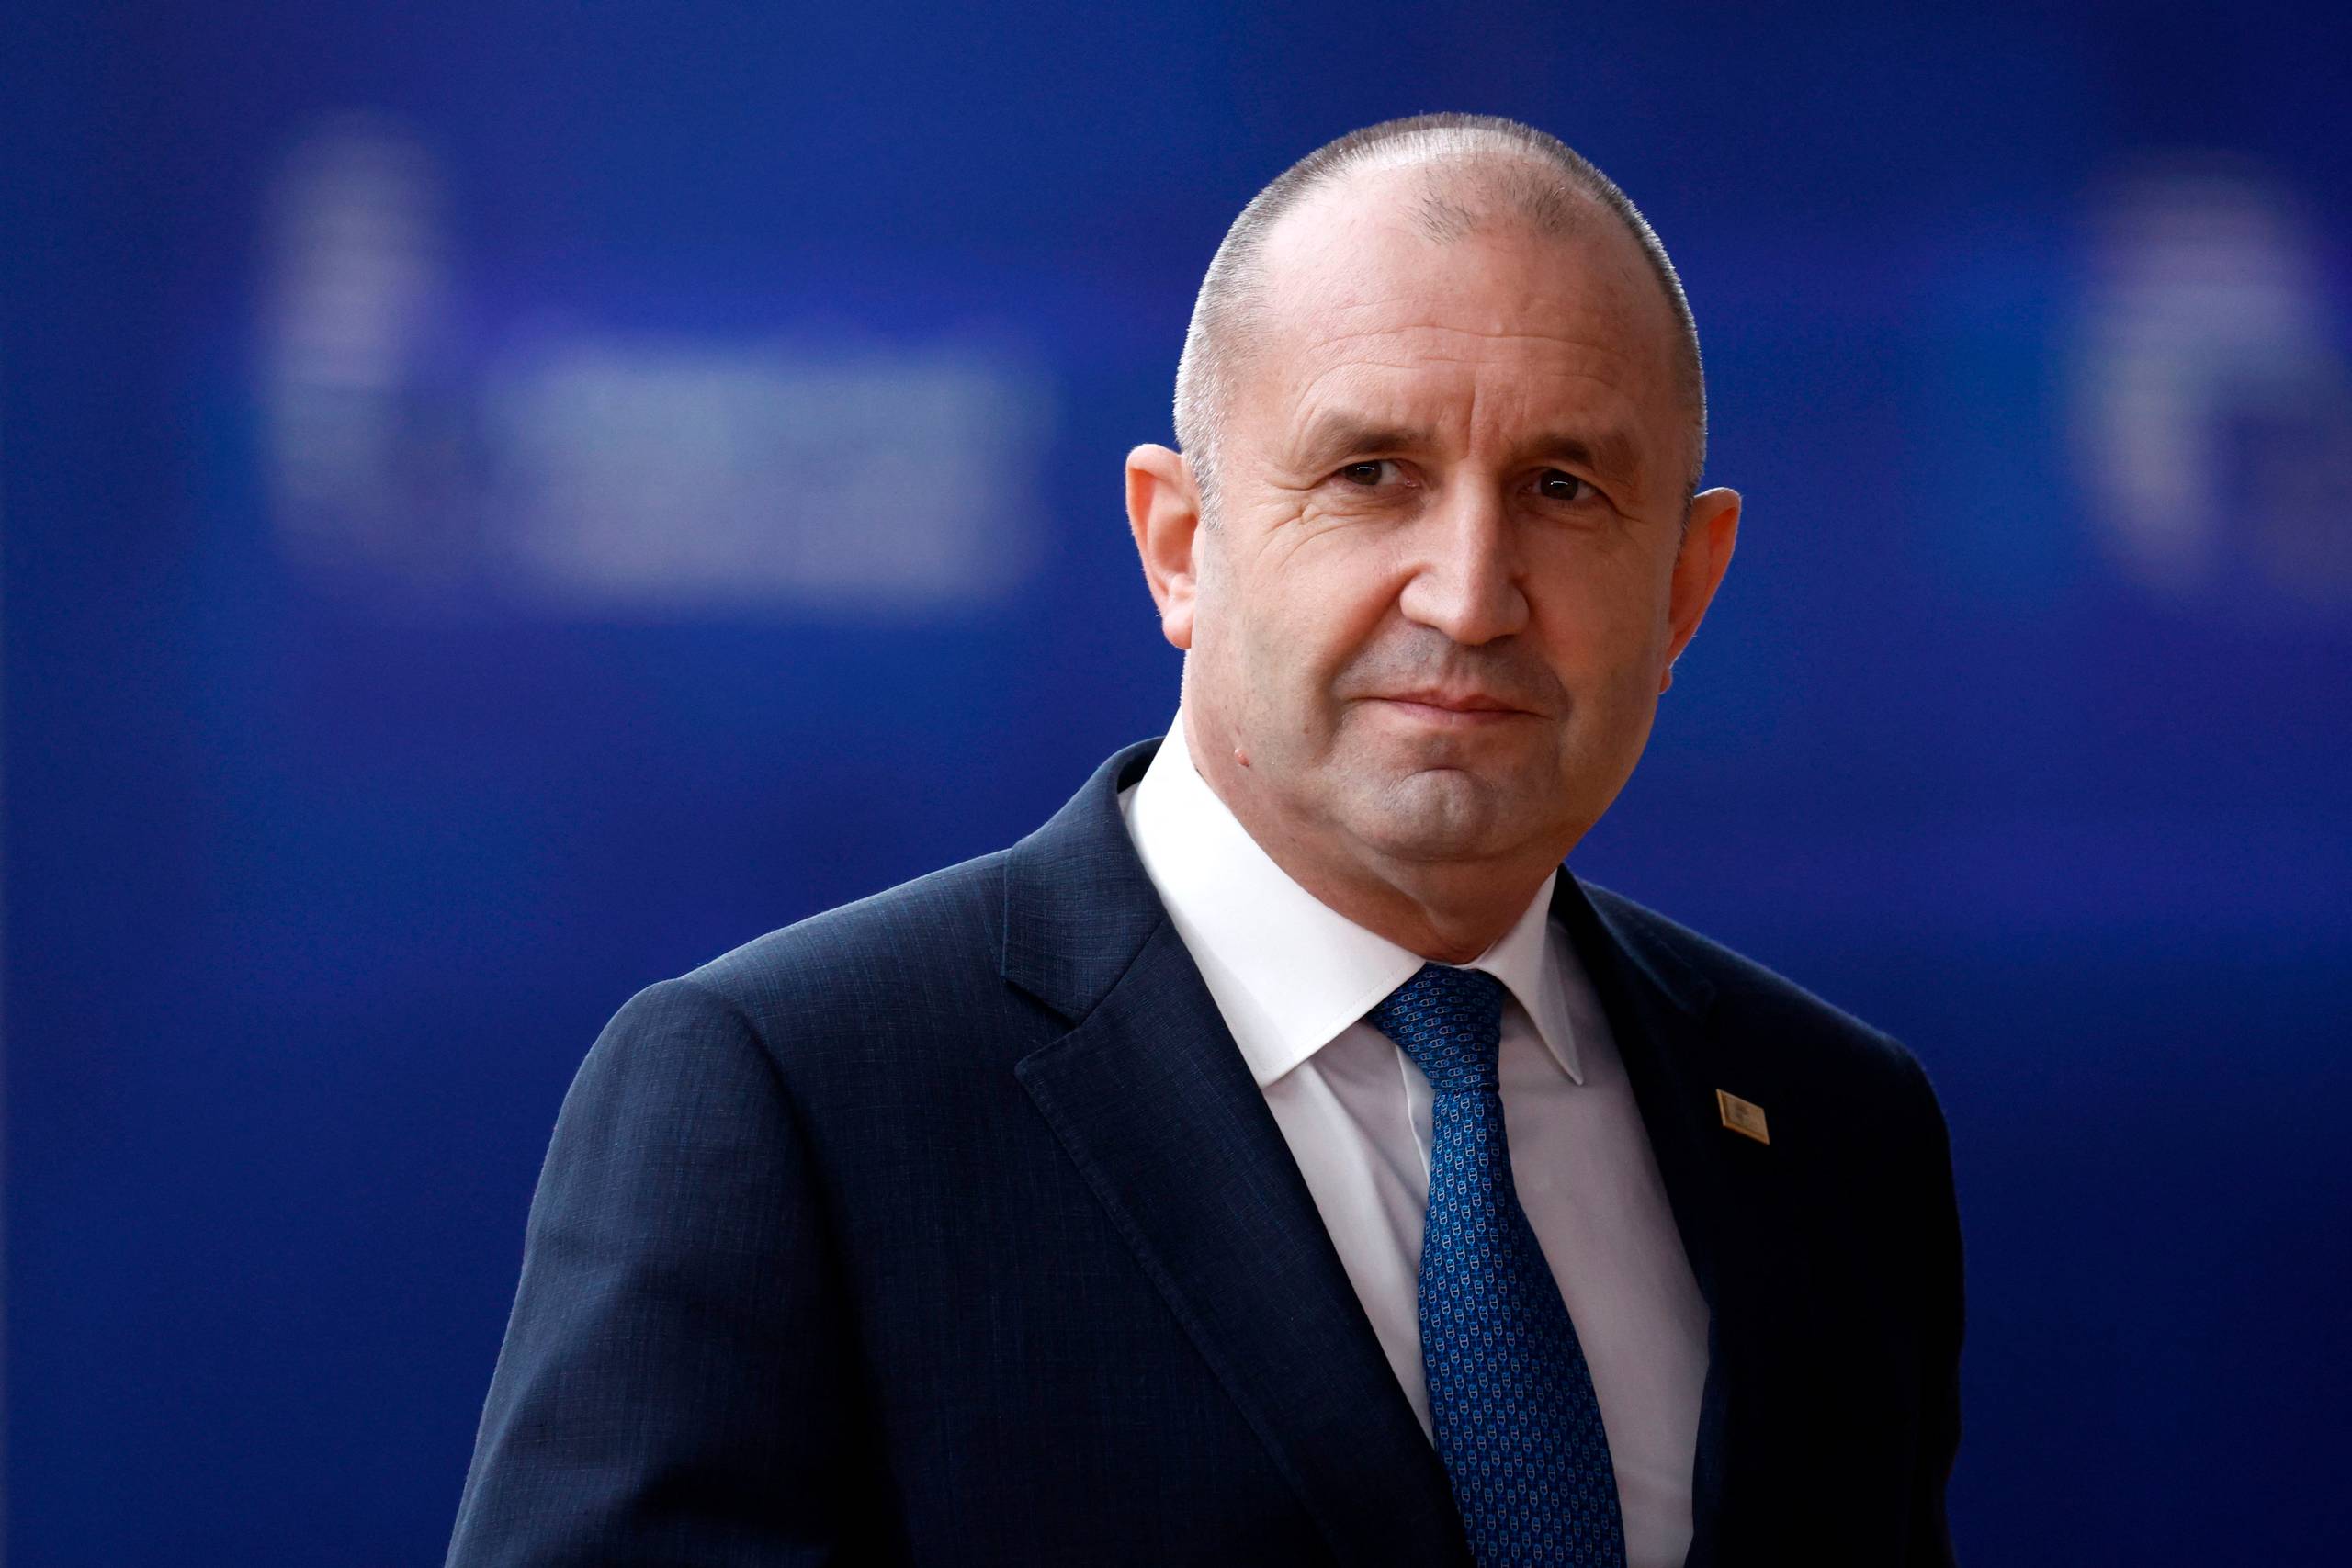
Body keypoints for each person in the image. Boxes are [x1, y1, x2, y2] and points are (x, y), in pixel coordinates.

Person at [446, 112, 1963, 1568]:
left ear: (1686, 589)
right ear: (1179, 545)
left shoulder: (1840, 1133)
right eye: (1370, 475)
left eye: (1563, 489)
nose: (1467, 594)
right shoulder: (794, 1102)